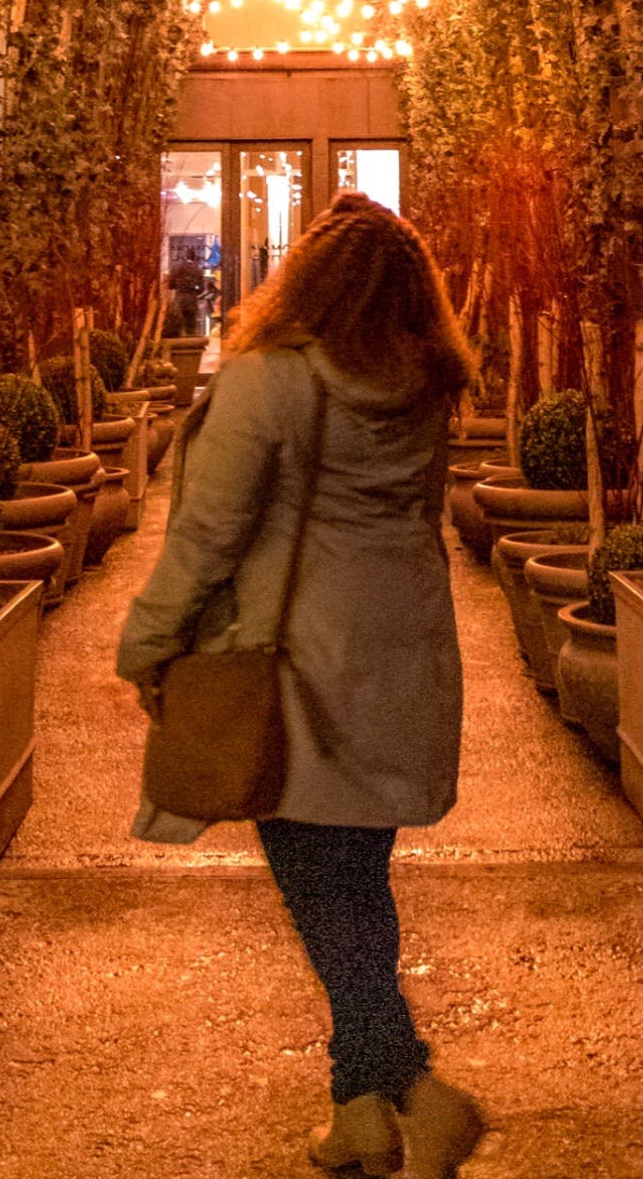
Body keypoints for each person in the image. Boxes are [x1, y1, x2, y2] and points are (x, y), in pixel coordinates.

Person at [116, 192, 485, 1178]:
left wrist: (147, 641)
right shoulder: (430, 381)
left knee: (324, 892)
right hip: (404, 661)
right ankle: (357, 1112)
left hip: (297, 671)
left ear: (305, 282)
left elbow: (203, 537)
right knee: (355, 883)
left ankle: (412, 1086)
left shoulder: (268, 384)